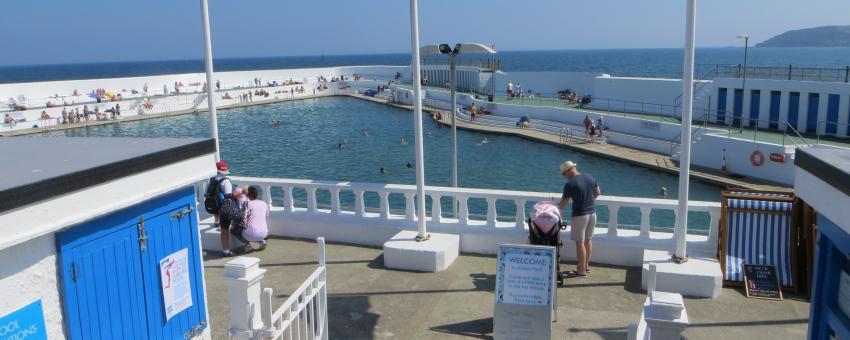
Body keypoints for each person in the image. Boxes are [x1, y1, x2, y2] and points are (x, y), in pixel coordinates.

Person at [557, 161, 601, 278]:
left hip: (580, 215)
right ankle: (585, 266)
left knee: (579, 242)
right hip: (592, 213)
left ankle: (581, 270)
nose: (564, 177)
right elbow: (597, 193)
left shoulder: (570, 184)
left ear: (569, 171)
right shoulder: (590, 176)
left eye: (564, 174)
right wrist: (588, 201)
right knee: (588, 240)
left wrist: (552, 208)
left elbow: (563, 204)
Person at [205, 161, 235, 256]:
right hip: (224, 208)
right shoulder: (225, 181)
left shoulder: (211, 179)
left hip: (215, 207)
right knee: (225, 230)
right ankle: (226, 251)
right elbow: (228, 195)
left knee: (217, 201)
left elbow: (206, 193)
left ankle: (216, 222)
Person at [235, 186, 269, 252]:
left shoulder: (247, 204)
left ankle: (247, 245)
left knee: (234, 230)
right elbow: (266, 216)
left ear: (247, 195)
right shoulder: (264, 203)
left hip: (251, 234)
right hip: (265, 233)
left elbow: (242, 218)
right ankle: (262, 241)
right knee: (257, 225)